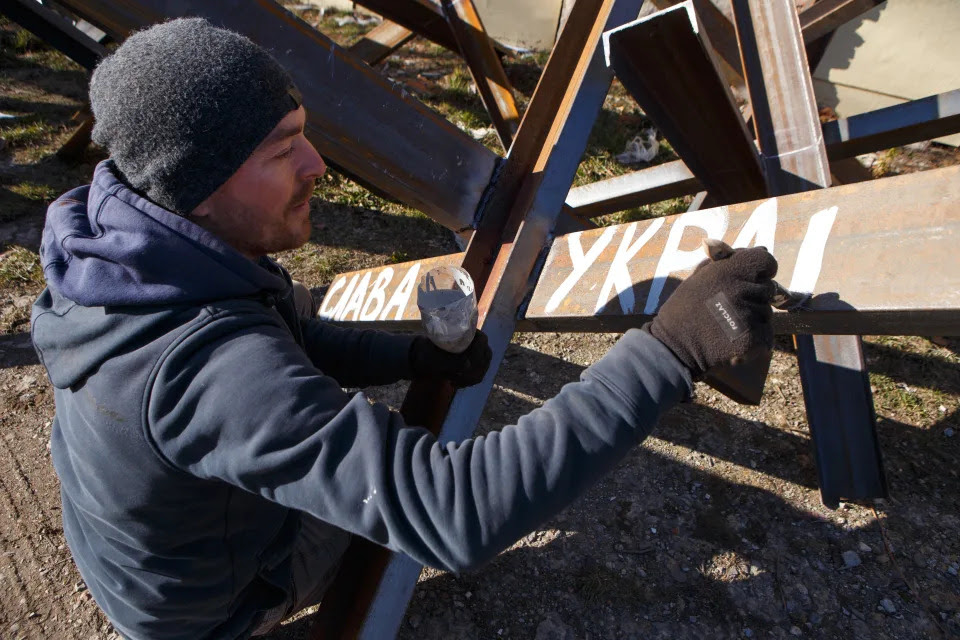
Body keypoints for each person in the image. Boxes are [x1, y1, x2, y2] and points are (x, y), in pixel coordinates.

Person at [31, 18, 778, 640]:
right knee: (405, 482)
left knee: (372, 446)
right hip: (205, 610)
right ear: (196, 185)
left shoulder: (138, 252)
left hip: (141, 559)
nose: (318, 162)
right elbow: (459, 513)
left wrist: (412, 355)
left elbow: (287, 336)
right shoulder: (209, 368)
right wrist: (670, 350)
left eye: (303, 133)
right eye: (280, 150)